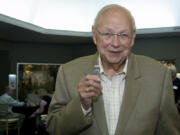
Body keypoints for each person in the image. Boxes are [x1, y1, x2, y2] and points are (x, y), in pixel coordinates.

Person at [46, 4, 180, 135]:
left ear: (132, 38)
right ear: (94, 35)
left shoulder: (158, 76)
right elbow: (53, 127)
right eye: (107, 34)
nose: (115, 43)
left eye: (123, 35)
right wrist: (82, 105)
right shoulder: (68, 72)